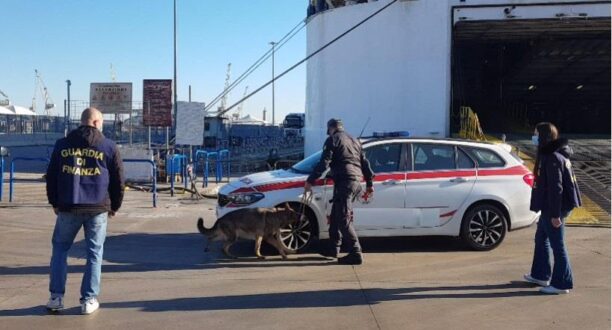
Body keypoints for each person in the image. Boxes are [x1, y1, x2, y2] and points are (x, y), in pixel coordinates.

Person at [45, 108, 125, 314]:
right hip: (97, 207)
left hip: (68, 206)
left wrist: (54, 202)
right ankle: (88, 300)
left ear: (81, 122)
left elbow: (52, 175)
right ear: (97, 122)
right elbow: (118, 181)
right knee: (94, 254)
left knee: (60, 251)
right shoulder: (108, 146)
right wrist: (114, 205)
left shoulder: (62, 145)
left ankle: (56, 297)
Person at [304, 118, 374, 265]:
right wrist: (369, 183)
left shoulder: (332, 139)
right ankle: (333, 248)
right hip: (355, 181)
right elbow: (364, 163)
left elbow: (324, 163)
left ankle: (355, 252)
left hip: (345, 182)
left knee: (343, 218)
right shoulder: (355, 140)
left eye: (328, 130)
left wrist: (310, 180)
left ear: (330, 128)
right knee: (336, 215)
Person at [524, 122, 581, 294]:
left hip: (554, 208)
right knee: (541, 239)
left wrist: (556, 215)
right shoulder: (550, 155)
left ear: (543, 136)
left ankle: (562, 283)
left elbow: (556, 189)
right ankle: (540, 274)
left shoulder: (553, 158)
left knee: (558, 245)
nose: (533, 137)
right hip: (549, 207)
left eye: (535, 134)